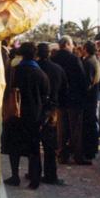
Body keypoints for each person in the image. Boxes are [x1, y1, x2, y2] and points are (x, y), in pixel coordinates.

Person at [2, 42, 50, 189]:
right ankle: (34, 179)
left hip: (15, 115)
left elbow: (6, 91)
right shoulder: (41, 74)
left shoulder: (14, 71)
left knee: (14, 147)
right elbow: (45, 96)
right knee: (34, 148)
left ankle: (15, 176)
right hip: (33, 116)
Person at [52, 35, 89, 165]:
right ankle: (78, 156)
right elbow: (82, 79)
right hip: (75, 99)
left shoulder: (54, 58)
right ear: (67, 44)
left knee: (61, 129)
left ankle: (62, 155)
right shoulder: (74, 59)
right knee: (76, 129)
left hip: (60, 99)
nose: (73, 46)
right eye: (71, 44)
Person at [36, 42, 67, 185]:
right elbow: (65, 89)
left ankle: (34, 173)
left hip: (36, 109)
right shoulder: (57, 69)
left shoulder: (35, 68)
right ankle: (50, 175)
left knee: (34, 143)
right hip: (52, 109)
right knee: (50, 145)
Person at [82, 41, 100, 161]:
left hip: (89, 98)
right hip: (93, 97)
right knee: (92, 123)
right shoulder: (96, 60)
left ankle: (89, 150)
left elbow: (87, 82)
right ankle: (92, 149)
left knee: (89, 124)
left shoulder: (89, 62)